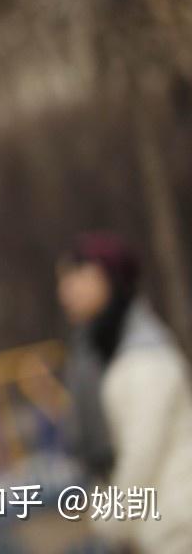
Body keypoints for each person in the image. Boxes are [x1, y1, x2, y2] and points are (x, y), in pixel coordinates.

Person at [56, 232, 192, 554]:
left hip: (178, 529)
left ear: (110, 279)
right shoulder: (96, 355)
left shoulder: (146, 359)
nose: (66, 291)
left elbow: (141, 454)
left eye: (77, 276)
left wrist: (109, 519)